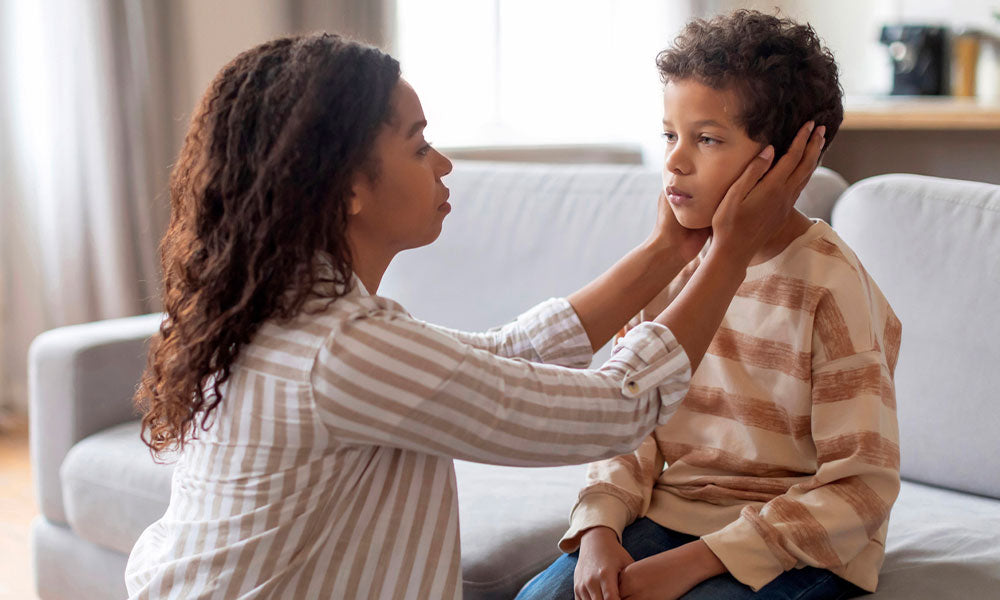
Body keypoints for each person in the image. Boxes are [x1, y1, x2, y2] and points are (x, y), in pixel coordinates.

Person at [123, 32, 824, 599]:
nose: (446, 164)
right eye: (419, 145)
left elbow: (501, 355)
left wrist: (670, 249)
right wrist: (727, 255)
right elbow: (616, 408)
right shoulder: (339, 351)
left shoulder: (294, 316)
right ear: (346, 189)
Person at [518, 10, 901, 600]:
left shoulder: (831, 286)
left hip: (800, 546)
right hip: (673, 517)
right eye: (670, 134)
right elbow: (629, 423)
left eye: (706, 139)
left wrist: (693, 563)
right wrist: (599, 525)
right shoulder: (670, 270)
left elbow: (861, 491)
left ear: (786, 160)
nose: (674, 160)